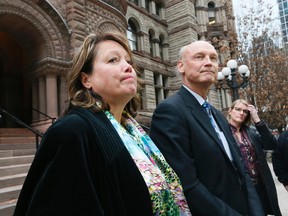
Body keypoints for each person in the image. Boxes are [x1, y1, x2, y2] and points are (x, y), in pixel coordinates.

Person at [13, 31, 191, 216]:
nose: (128, 67)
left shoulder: (134, 132)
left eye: (128, 61)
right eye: (113, 60)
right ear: (86, 80)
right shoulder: (72, 131)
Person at [150, 40, 265, 215]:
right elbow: (187, 185)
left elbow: (241, 170)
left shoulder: (218, 115)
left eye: (213, 58)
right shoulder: (170, 111)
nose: (209, 62)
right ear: (181, 66)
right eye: (199, 57)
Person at [228, 99, 281, 215]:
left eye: (245, 111)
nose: (241, 113)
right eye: (238, 109)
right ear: (230, 111)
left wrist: (257, 120)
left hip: (259, 185)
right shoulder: (223, 132)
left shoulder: (251, 131)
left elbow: (271, 144)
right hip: (240, 188)